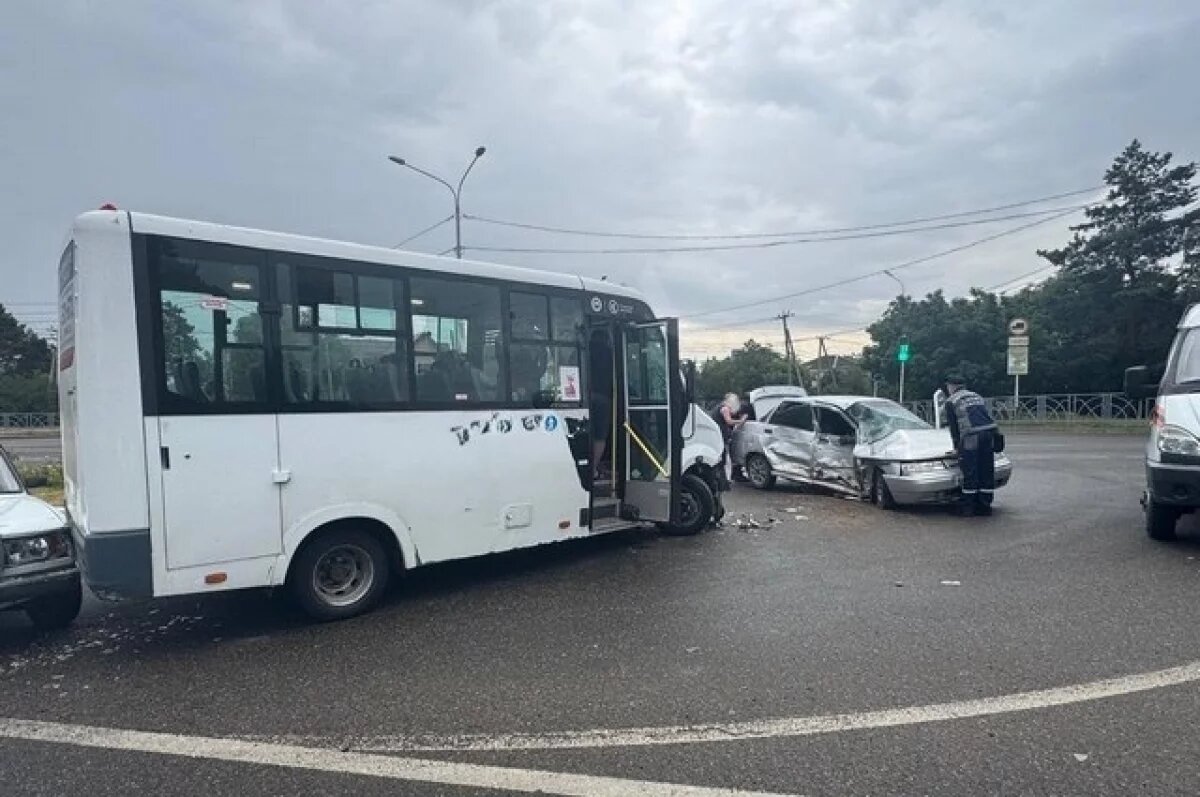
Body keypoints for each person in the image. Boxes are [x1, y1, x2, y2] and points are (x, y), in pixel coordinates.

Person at [943, 374, 998, 516]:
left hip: (971, 437)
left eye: (948, 386)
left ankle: (968, 508)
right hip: (989, 434)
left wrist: (957, 447)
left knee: (970, 471)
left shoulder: (951, 401)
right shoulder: (976, 396)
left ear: (952, 386)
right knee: (986, 470)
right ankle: (985, 506)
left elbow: (954, 427)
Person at [714, 393, 747, 485]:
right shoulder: (725, 408)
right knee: (725, 458)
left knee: (724, 457)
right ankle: (726, 479)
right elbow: (729, 421)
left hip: (718, 435)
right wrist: (741, 420)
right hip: (721, 435)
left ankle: (724, 478)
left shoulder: (720, 407)